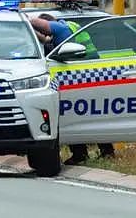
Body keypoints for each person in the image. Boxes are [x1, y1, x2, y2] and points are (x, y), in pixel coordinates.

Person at [29, 13, 113, 164]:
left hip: (82, 75)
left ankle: (82, 154)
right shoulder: (70, 27)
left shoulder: (59, 28)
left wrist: (24, 20)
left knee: (72, 115)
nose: (46, 36)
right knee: (91, 115)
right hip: (93, 73)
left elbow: (41, 25)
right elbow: (46, 39)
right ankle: (105, 151)